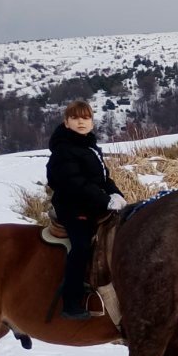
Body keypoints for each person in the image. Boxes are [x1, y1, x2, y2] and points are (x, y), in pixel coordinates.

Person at [46, 100, 127, 320]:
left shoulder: (89, 146)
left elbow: (103, 178)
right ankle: (71, 301)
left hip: (94, 205)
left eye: (86, 117)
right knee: (81, 245)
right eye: (75, 117)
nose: (81, 122)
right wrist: (104, 200)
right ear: (66, 121)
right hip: (73, 208)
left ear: (92, 122)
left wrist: (117, 195)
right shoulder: (64, 150)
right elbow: (75, 183)